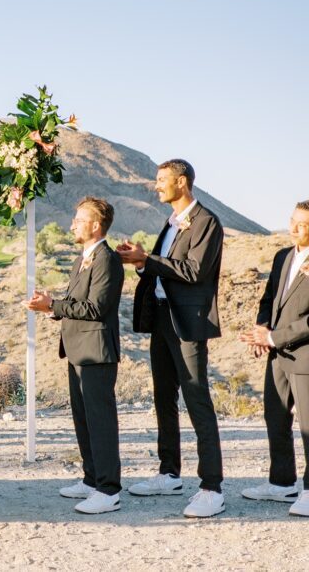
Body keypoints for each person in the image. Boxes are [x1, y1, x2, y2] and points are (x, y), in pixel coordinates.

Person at [117, 159, 226, 518]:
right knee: (163, 395)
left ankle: (212, 487)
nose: (156, 186)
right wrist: (140, 262)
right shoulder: (171, 223)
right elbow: (164, 268)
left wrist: (147, 258)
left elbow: (194, 271)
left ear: (182, 182)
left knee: (197, 399)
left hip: (187, 323)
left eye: (162, 180)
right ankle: (169, 472)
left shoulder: (207, 222)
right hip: (162, 320)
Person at [26, 197, 124, 514]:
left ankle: (108, 491)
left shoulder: (107, 260)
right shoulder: (81, 260)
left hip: (96, 352)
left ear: (96, 226)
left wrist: (53, 305)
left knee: (101, 421)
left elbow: (95, 307)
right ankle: (91, 478)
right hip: (77, 350)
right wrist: (53, 309)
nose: (72, 224)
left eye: (78, 219)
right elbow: (76, 303)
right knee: (83, 419)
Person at [240, 200, 309, 517]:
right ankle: (282, 483)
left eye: (305, 223)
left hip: (305, 355)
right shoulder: (283, 256)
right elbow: (269, 299)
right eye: (294, 221)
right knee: (276, 416)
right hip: (277, 354)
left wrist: (273, 337)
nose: (297, 228)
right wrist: (261, 331)